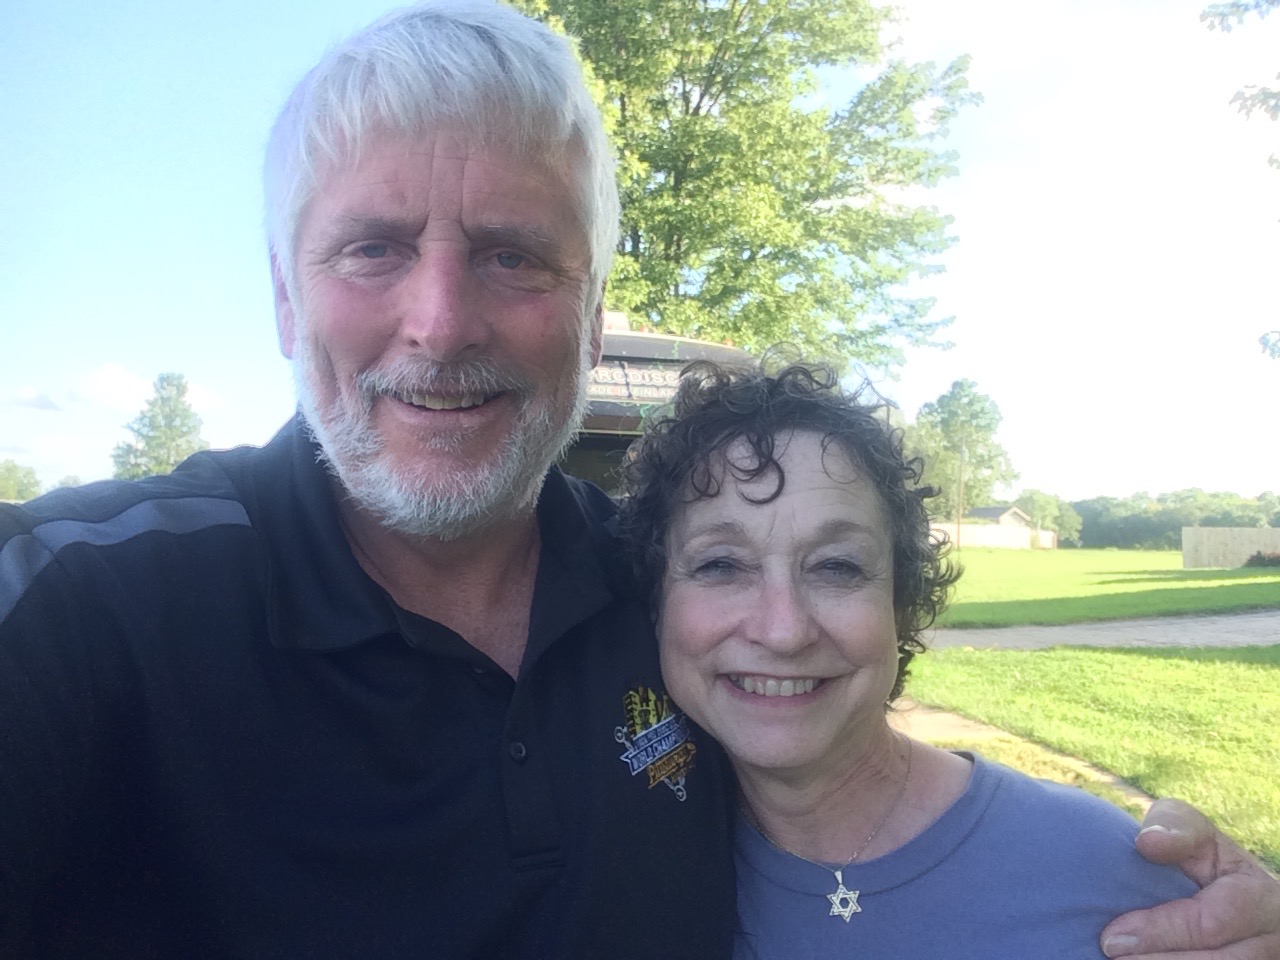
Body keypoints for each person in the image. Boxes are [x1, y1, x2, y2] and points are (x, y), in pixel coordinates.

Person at [0, 2, 1276, 958]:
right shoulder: (80, 610)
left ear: (593, 312)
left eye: (511, 255)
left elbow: (866, 821)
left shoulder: (677, 594)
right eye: (373, 248)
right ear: (285, 296)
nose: (438, 322)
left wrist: (1157, 897)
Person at [617, 356, 1279, 959]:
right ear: (656, 605)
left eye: (838, 566)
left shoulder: (1110, 874)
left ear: (902, 607)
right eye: (721, 564)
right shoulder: (626, 878)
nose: (784, 630)